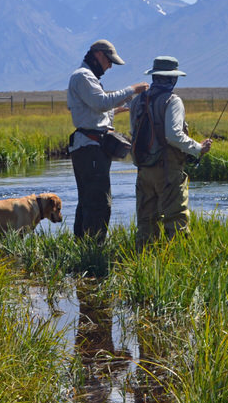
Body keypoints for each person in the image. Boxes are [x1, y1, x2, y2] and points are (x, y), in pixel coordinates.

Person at [67, 39, 149, 242]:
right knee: (99, 203)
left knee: (87, 201)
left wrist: (118, 109)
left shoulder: (85, 77)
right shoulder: (83, 76)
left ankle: (82, 247)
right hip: (91, 149)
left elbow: (94, 111)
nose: (110, 66)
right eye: (109, 61)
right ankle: (95, 249)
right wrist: (132, 90)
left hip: (90, 148)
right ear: (99, 55)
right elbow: (101, 103)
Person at [129, 56, 211, 249]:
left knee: (146, 223)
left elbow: (134, 134)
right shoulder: (173, 101)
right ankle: (178, 264)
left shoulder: (137, 101)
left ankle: (144, 264)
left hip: (143, 170)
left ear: (155, 76)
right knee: (176, 221)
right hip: (167, 171)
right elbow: (173, 135)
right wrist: (198, 148)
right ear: (173, 78)